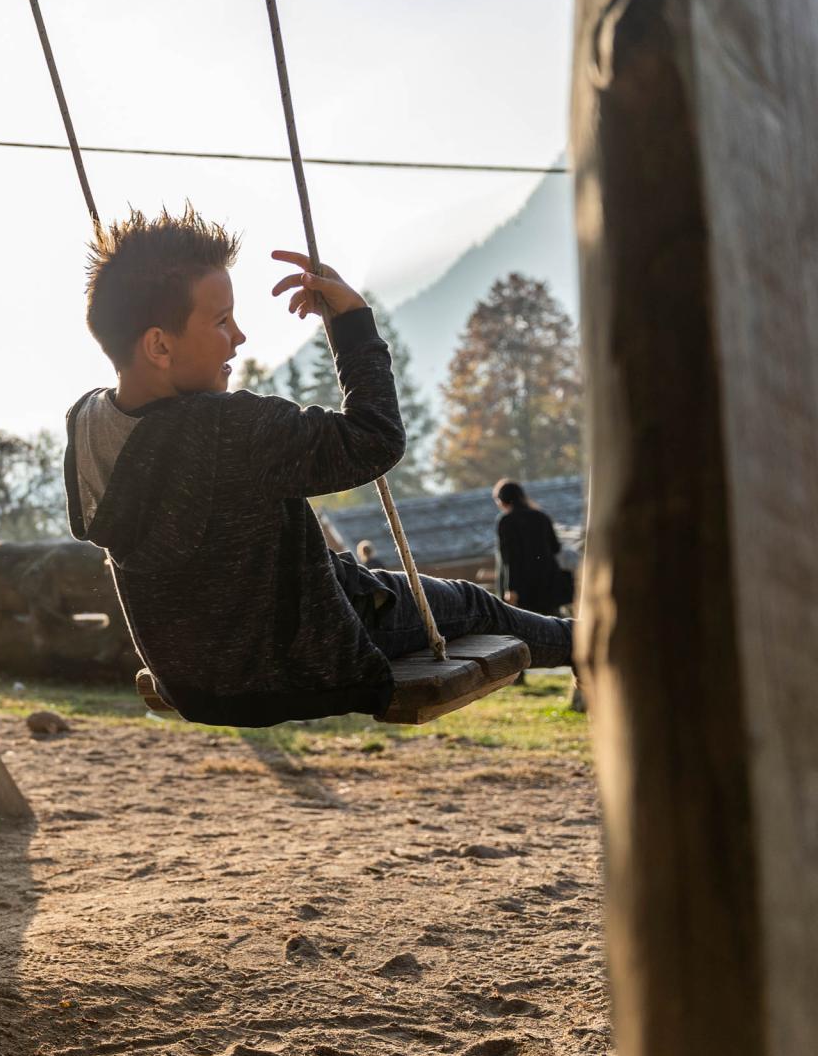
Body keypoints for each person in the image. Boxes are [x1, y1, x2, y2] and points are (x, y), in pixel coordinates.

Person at [63, 205, 573, 727]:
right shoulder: (227, 427)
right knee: (475, 606)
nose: (238, 337)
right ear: (159, 344)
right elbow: (375, 440)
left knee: (368, 579)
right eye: (221, 321)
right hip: (305, 660)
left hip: (195, 680)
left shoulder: (87, 423)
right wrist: (350, 320)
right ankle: (591, 644)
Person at [492, 479, 568, 614]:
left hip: (522, 590)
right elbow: (556, 548)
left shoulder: (506, 521)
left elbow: (509, 558)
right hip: (548, 585)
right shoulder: (542, 517)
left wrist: (510, 588)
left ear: (502, 500)